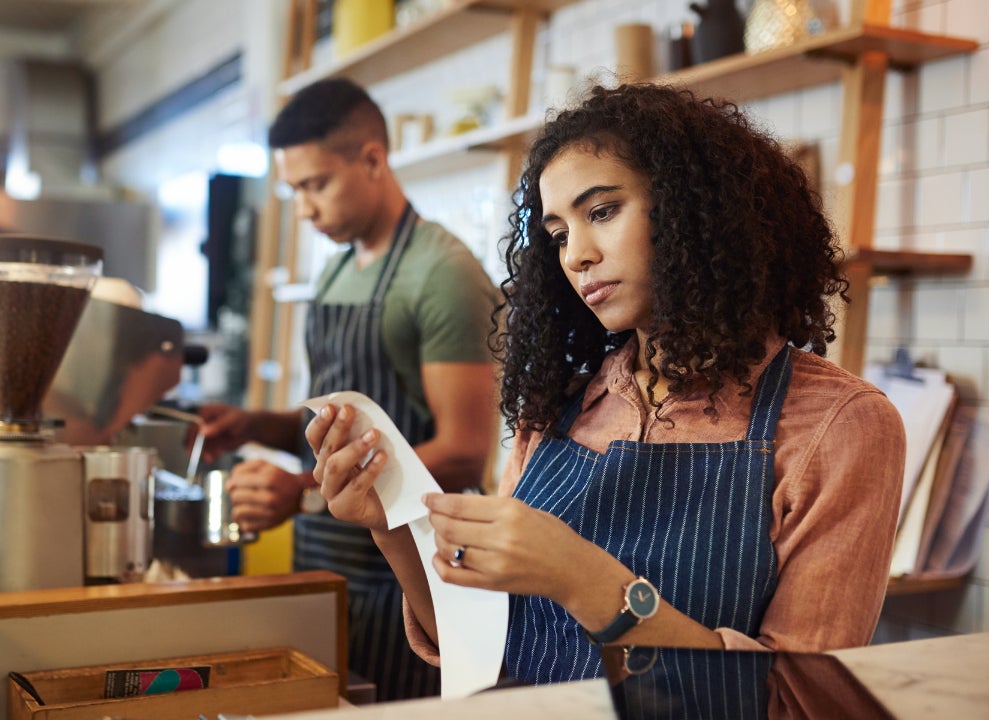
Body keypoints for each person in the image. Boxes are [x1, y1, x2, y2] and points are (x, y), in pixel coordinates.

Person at [305, 83, 906, 684]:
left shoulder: (838, 424)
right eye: (559, 234)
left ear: (694, 210)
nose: (576, 256)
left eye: (601, 212)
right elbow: (479, 644)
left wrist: (579, 577)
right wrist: (390, 525)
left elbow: (800, 699)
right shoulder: (563, 403)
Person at [196, 77, 500, 700]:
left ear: (372, 159)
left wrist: (304, 492)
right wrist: (255, 425)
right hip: (326, 561)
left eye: (316, 185)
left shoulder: (442, 273)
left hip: (410, 580)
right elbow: (339, 415)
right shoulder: (338, 267)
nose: (305, 210)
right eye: (295, 191)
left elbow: (466, 450)